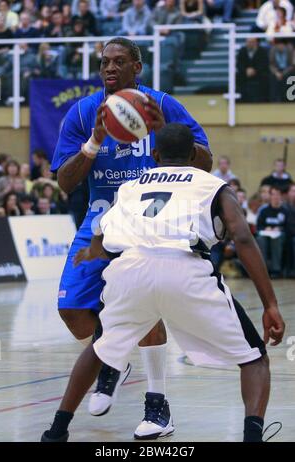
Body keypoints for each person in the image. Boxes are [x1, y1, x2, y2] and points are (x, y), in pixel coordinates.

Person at [41, 123, 285, 443]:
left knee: (99, 346)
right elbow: (242, 237)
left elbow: (104, 236)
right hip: (185, 268)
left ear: (154, 155)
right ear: (194, 155)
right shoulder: (213, 186)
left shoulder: (131, 187)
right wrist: (270, 304)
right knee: (254, 359)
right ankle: (252, 436)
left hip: (130, 267)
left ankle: (56, 432)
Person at [50, 37, 212, 439]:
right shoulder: (84, 112)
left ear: (137, 68)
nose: (109, 68)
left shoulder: (161, 104)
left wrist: (163, 130)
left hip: (149, 221)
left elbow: (205, 160)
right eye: (104, 61)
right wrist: (94, 143)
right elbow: (65, 184)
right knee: (70, 311)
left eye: (119, 62)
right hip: (101, 221)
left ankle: (158, 408)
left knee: (144, 306)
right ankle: (114, 356)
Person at [256, 186, 288, 278]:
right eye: (273, 194)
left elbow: (288, 227)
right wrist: (266, 229)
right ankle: (263, 269)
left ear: (281, 196)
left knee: (276, 239)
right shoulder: (264, 211)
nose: (276, 196)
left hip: (280, 235)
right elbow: (259, 226)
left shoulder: (285, 211)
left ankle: (276, 270)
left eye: (278, 194)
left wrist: (279, 229)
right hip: (266, 234)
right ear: (270, 196)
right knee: (260, 239)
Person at [237, 38, 269, 103]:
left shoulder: (262, 51)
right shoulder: (242, 50)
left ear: (256, 42)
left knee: (266, 77)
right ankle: (241, 99)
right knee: (237, 77)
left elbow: (264, 64)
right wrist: (246, 70)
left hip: (259, 73)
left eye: (252, 42)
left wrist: (255, 70)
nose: (250, 44)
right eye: (248, 42)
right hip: (245, 73)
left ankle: (263, 99)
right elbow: (239, 64)